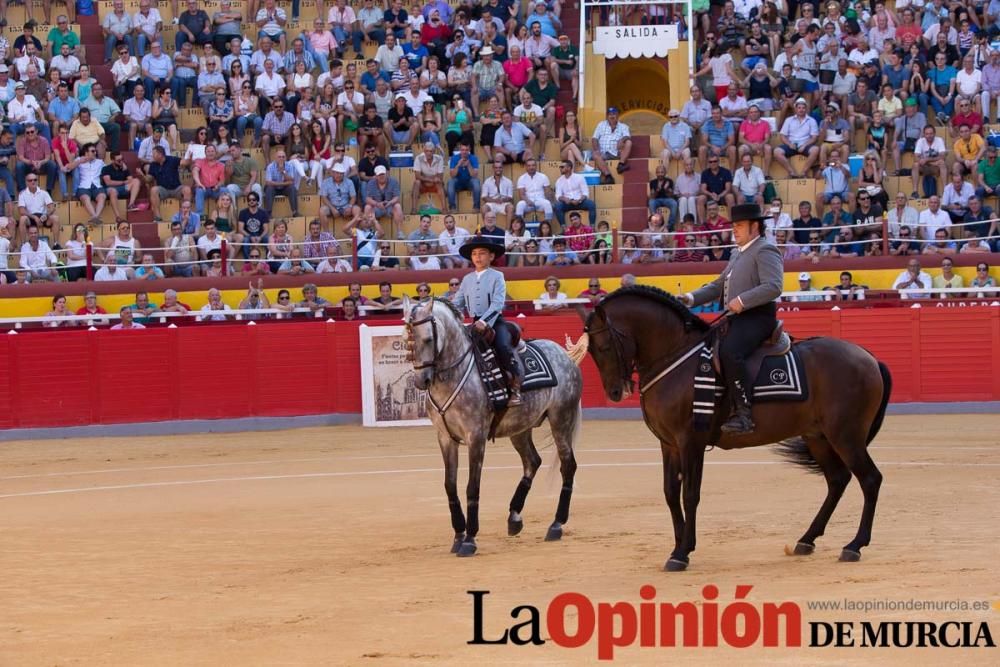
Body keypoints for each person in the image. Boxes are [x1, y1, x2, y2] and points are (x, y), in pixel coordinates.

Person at [680, 203, 783, 434]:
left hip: (757, 317)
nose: (734, 230)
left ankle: (744, 414)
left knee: (729, 351)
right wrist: (689, 298)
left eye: (739, 225)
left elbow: (774, 286)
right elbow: (718, 285)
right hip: (738, 318)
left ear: (754, 227)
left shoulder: (765, 250)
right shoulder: (738, 253)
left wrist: (743, 300)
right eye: (733, 226)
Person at [451, 235, 522, 405]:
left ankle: (515, 385)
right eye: (474, 254)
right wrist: (443, 308)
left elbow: (498, 303)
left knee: (503, 347)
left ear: (491, 256)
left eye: (482, 253)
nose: (477, 257)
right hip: (474, 324)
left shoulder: (497, 276)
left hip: (495, 322)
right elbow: (457, 303)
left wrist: (484, 321)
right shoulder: (467, 279)